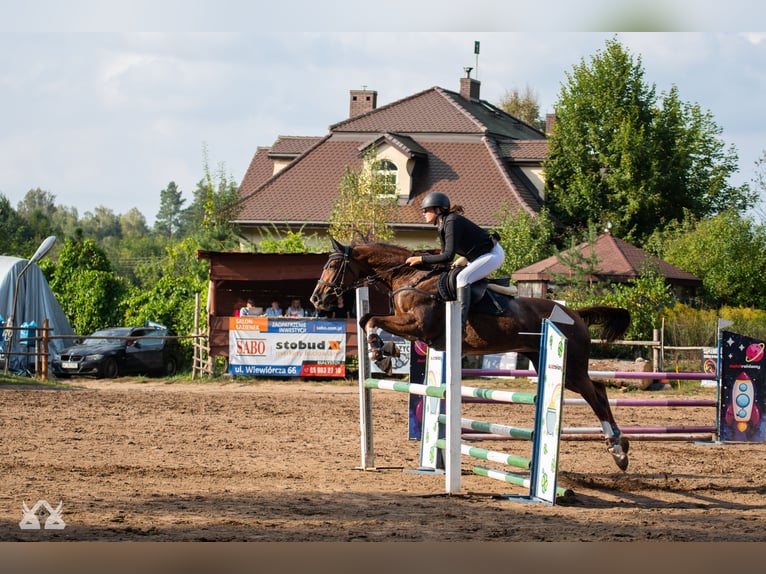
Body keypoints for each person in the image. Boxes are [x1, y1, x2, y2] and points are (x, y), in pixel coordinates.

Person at [405, 191, 505, 337]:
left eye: (427, 209)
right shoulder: (442, 225)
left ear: (438, 210)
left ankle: (460, 326)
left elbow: (447, 256)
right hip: (477, 256)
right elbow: (445, 258)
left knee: (462, 278)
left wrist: (421, 259)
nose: (423, 213)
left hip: (492, 254)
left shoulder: (452, 221)